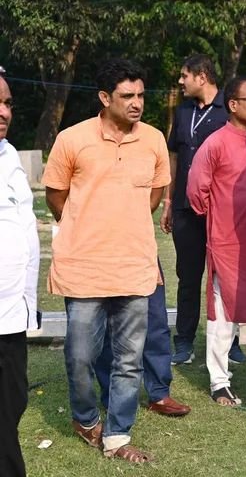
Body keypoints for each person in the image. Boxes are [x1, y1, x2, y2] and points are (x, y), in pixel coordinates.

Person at [42, 58, 170, 463]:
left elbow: (155, 193)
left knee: (128, 361)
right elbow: (55, 196)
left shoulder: (153, 139)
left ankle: (117, 436)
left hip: (134, 266)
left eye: (141, 95)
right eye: (127, 96)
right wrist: (85, 227)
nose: (137, 103)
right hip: (83, 267)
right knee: (80, 356)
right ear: (104, 97)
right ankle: (84, 418)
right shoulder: (72, 139)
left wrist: (125, 226)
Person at [186, 76, 246, 406]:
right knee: (223, 315)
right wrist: (223, 217)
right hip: (227, 243)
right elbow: (196, 192)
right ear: (233, 105)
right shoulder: (215, 143)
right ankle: (219, 381)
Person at [162, 54, 246, 365]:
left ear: (202, 77)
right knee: (187, 276)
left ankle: (231, 342)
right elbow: (174, 156)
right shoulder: (183, 111)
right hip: (186, 208)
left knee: (225, 277)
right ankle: (184, 342)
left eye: (184, 75)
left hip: (221, 209)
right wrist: (169, 201)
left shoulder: (229, 110)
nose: (180, 81)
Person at [0, 71, 39, 477]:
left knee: (12, 406)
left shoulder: (9, 155)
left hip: (12, 317)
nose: (4, 112)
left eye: (8, 103)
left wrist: (29, 304)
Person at [94, 261, 191, 417]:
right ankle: (112, 396)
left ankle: (159, 393)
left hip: (142, 255)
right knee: (107, 327)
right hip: (102, 256)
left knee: (155, 321)